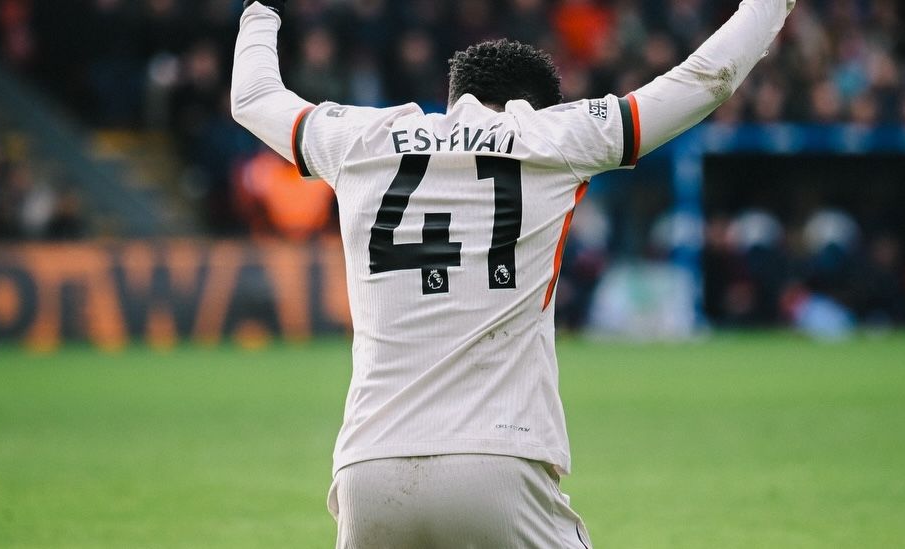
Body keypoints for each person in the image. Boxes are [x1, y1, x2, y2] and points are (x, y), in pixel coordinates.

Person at [231, 0, 794, 546]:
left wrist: (261, 11)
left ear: (455, 99)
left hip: (367, 468)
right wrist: (770, 7)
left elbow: (253, 97)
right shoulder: (553, 137)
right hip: (498, 459)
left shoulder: (358, 141)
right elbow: (705, 81)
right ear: (533, 106)